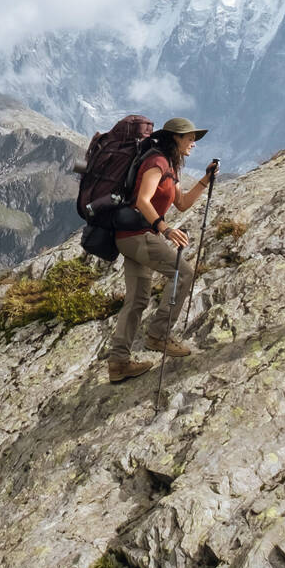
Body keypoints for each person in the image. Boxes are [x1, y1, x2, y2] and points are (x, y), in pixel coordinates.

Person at [108, 117, 219, 382]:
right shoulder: (157, 162)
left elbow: (181, 203)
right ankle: (158, 335)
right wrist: (164, 228)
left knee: (136, 300)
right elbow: (142, 200)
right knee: (184, 273)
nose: (193, 142)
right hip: (138, 234)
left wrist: (205, 179)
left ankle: (118, 363)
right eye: (189, 137)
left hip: (132, 236)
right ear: (175, 138)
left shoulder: (170, 166)